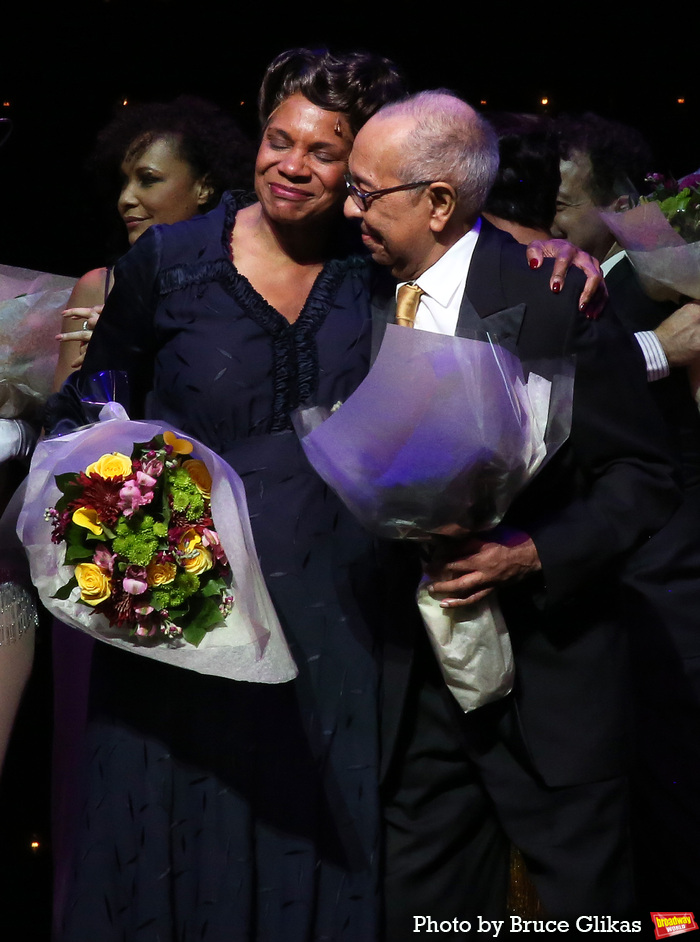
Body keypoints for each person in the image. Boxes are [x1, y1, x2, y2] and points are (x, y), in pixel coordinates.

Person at [45, 47, 409, 942]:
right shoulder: (169, 263)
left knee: (319, 837)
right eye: (278, 139)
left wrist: (557, 245)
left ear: (361, 171)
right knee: (173, 831)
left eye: (324, 153)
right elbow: (90, 400)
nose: (292, 164)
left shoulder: (377, 270)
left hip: (338, 611)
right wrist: (118, 501)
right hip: (192, 609)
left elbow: (474, 233)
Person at [343, 90, 680, 930]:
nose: (349, 209)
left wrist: (533, 553)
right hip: (410, 690)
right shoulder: (350, 296)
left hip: (549, 681)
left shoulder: (555, 295)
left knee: (582, 914)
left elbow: (641, 475)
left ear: (439, 201)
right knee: (426, 915)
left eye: (366, 192)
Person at [553, 112, 700, 906]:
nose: (549, 215)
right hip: (617, 561)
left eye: (567, 200)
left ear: (615, 204)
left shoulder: (657, 272)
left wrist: (656, 349)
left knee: (675, 773)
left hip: (673, 564)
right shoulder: (580, 278)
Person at [52, 94, 256, 390]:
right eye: (124, 182)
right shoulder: (100, 288)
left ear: (205, 187)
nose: (125, 199)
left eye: (148, 179)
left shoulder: (242, 284)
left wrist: (125, 341)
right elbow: (61, 428)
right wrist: (101, 360)